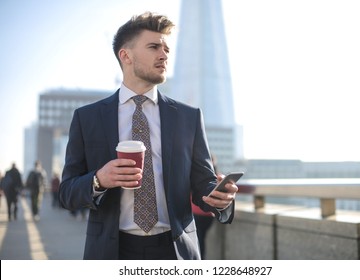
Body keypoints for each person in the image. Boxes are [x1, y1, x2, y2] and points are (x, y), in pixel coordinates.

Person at [59, 12, 238, 260]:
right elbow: (67, 192)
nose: (164, 55)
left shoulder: (189, 117)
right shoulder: (87, 118)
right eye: (154, 46)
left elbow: (202, 186)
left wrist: (218, 197)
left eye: (166, 48)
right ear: (126, 55)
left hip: (175, 251)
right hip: (111, 251)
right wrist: (99, 179)